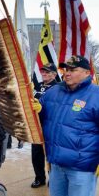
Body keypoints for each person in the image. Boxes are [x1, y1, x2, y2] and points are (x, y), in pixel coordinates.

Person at [35, 56, 99, 196]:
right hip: (57, 164)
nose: (67, 73)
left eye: (73, 70)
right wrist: (36, 110)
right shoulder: (53, 91)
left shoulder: (96, 95)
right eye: (66, 69)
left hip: (82, 168)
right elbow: (39, 118)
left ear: (87, 73)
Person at [31, 63, 58, 188]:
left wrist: (41, 109)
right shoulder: (38, 86)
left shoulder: (58, 88)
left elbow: (55, 108)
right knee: (36, 154)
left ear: (54, 74)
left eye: (47, 72)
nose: (44, 74)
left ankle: (53, 178)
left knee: (50, 154)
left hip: (49, 125)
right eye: (43, 72)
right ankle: (39, 177)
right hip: (36, 125)